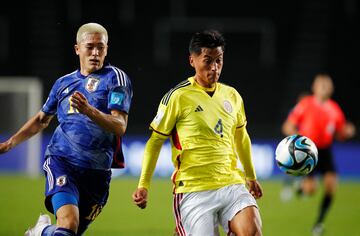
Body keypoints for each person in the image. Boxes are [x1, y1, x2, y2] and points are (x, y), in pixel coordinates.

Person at [0, 22, 133, 236]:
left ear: (107, 49)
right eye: (90, 47)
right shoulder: (63, 83)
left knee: (67, 233)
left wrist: (89, 111)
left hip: (97, 173)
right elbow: (42, 119)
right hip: (62, 161)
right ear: (77, 49)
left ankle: (41, 231)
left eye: (101, 47)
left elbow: (120, 126)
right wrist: (10, 142)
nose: (96, 52)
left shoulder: (116, 79)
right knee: (69, 223)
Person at [132, 29, 263, 236]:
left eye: (219, 60)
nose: (214, 67)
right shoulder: (177, 97)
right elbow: (155, 141)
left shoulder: (233, 96)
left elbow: (241, 136)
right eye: (207, 60)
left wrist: (251, 176)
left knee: (252, 231)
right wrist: (143, 185)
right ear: (192, 60)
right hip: (194, 189)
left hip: (231, 184)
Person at [281, 73, 356, 236]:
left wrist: (347, 132)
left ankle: (318, 223)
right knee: (311, 190)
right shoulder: (305, 104)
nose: (324, 86)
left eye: (327, 84)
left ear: (331, 88)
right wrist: (297, 141)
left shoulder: (335, 109)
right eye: (321, 84)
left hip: (326, 150)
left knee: (331, 186)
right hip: (309, 150)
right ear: (314, 87)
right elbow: (288, 125)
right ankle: (301, 187)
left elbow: (340, 133)